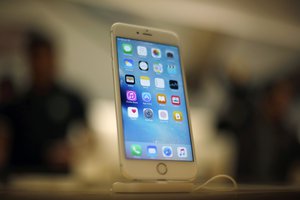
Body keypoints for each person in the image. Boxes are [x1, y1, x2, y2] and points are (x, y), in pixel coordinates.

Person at [1, 31, 86, 174]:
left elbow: (85, 139)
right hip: (22, 178)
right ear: (28, 61)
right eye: (37, 58)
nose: (43, 64)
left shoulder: (73, 99)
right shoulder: (14, 104)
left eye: (47, 57)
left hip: (65, 179)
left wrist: (72, 152)